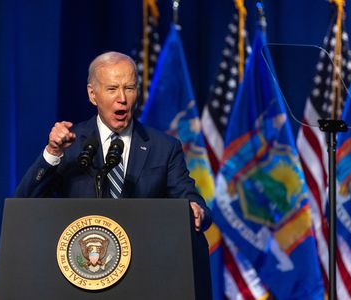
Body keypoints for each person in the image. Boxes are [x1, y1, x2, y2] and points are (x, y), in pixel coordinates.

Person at [16, 51, 211, 232]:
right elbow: (26, 202)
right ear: (93, 95)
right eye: (112, 89)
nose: (122, 98)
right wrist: (52, 152)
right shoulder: (70, 144)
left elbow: (192, 201)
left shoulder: (164, 147)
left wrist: (195, 209)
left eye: (129, 88)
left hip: (145, 260)